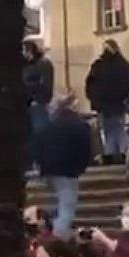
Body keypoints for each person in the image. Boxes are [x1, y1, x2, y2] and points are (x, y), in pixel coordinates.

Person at [35, 95, 93, 235]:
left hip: (48, 171)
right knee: (67, 207)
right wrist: (81, 167)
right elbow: (85, 150)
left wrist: (41, 166)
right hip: (68, 171)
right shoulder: (80, 126)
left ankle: (49, 229)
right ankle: (57, 237)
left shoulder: (47, 127)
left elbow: (37, 148)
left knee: (57, 204)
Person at [84, 40, 129, 164]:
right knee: (113, 129)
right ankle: (116, 153)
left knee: (113, 129)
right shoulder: (123, 65)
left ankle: (113, 153)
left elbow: (90, 84)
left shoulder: (100, 65)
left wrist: (94, 99)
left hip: (110, 104)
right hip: (114, 104)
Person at [25, 39, 56, 173]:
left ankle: (43, 163)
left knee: (40, 134)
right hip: (28, 104)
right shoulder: (27, 66)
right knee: (31, 136)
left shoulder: (43, 64)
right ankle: (33, 163)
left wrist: (38, 96)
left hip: (38, 103)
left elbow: (46, 85)